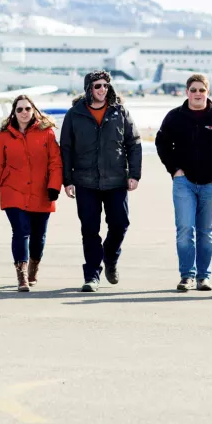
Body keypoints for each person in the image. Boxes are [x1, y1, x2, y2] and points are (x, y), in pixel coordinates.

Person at [155, 74, 212, 292]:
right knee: (184, 229)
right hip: (184, 183)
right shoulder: (175, 117)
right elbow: (162, 143)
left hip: (211, 184)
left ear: (207, 92)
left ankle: (203, 277)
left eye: (201, 90)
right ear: (187, 92)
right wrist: (175, 170)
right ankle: (187, 276)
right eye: (193, 90)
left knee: (205, 232)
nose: (197, 94)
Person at [60, 70, 142, 292]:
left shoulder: (119, 112)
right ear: (89, 88)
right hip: (85, 181)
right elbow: (65, 150)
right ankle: (92, 276)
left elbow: (133, 143)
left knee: (120, 224)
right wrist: (67, 181)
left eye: (106, 85)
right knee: (89, 229)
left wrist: (134, 174)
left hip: (116, 180)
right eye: (98, 86)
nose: (102, 89)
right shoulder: (74, 114)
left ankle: (111, 257)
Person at [0, 95, 63, 292]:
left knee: (38, 236)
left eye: (27, 109)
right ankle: (21, 273)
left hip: (41, 191)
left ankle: (34, 265)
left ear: (33, 110)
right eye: (19, 109)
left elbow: (55, 162)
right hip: (13, 191)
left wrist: (54, 186)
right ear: (14, 112)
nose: (23, 113)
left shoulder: (47, 133)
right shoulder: (4, 135)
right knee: (20, 231)